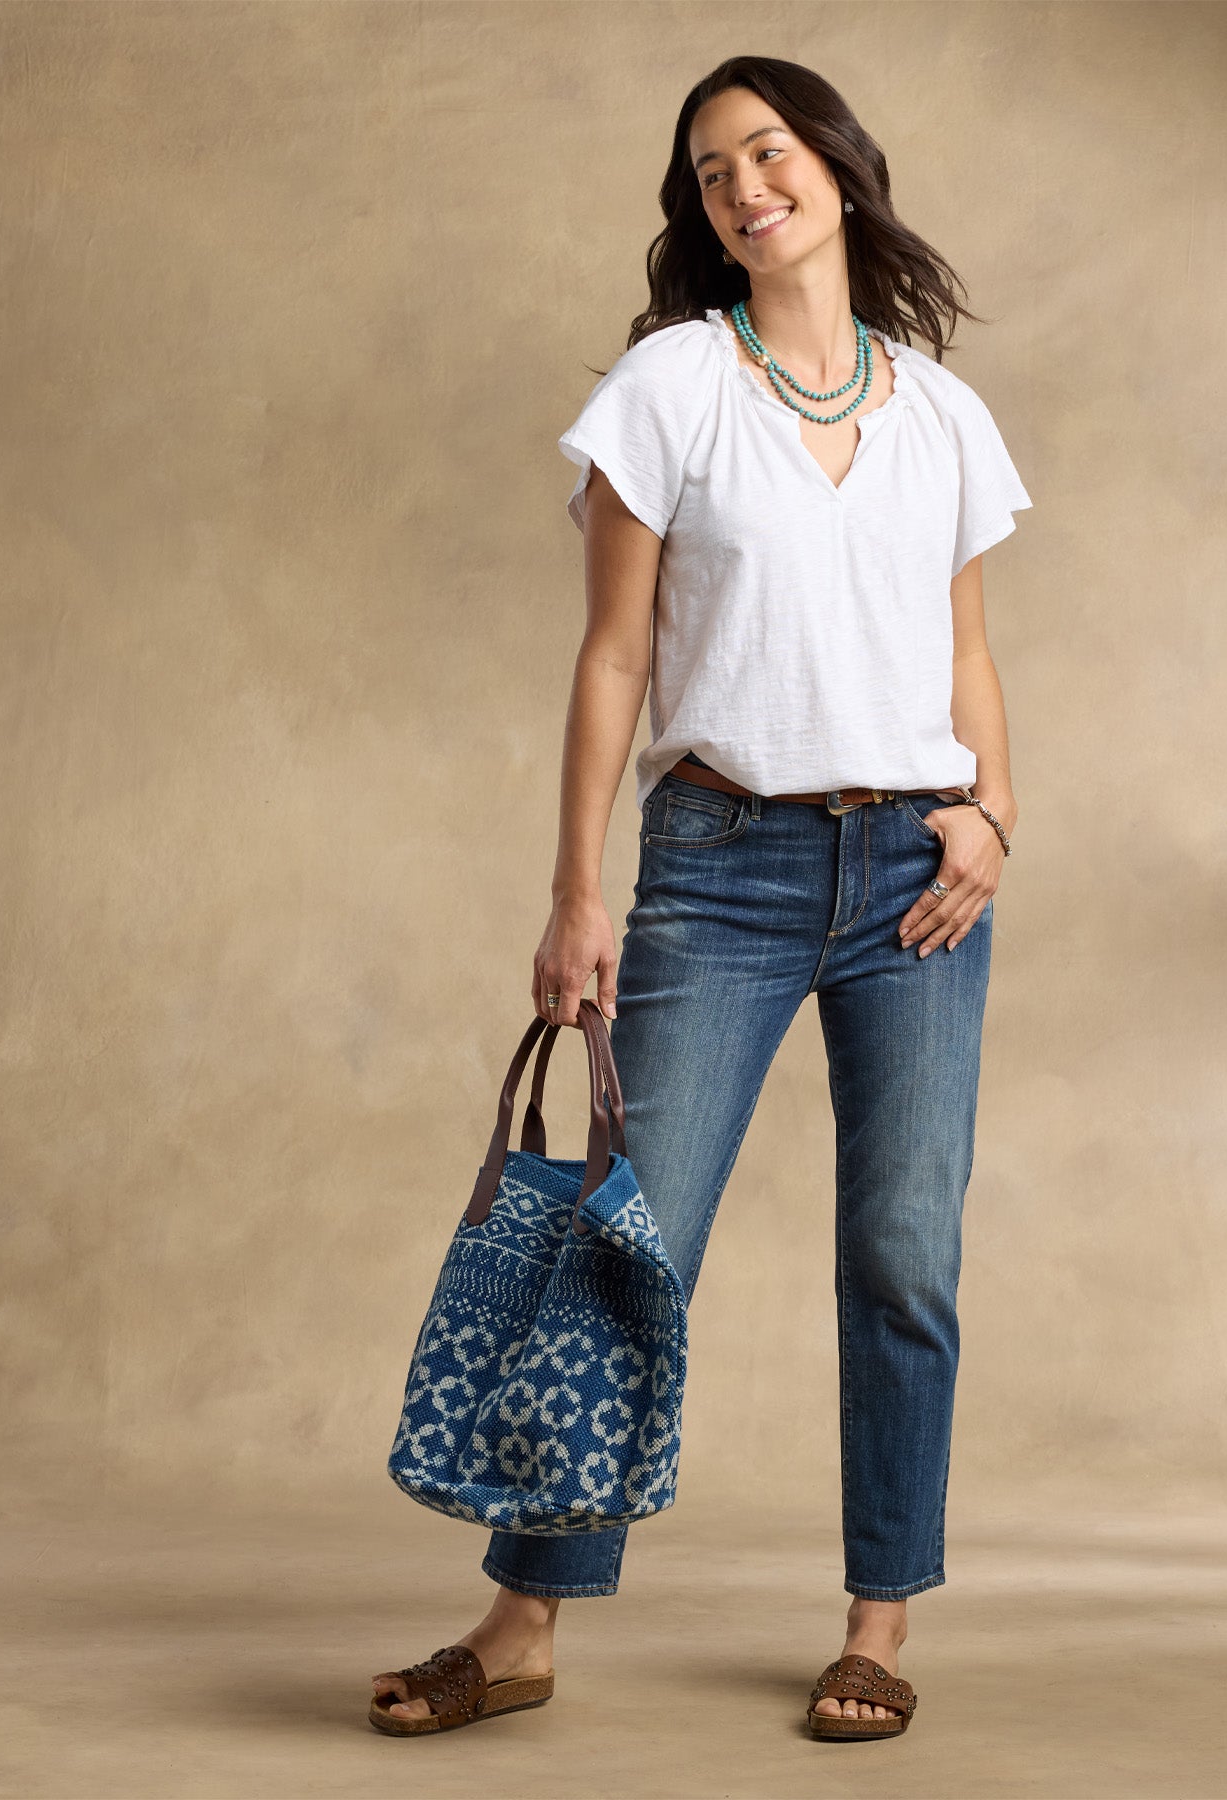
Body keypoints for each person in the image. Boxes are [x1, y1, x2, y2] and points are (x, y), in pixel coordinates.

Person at [371, 53, 1030, 1743]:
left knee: (904, 1254)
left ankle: (878, 1626)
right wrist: (577, 890)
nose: (746, 187)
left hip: (914, 881)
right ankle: (522, 1625)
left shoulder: (940, 413)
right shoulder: (670, 385)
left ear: (836, 165)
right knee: (627, 1244)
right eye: (713, 172)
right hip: (720, 868)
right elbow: (613, 655)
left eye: (769, 150)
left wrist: (994, 813)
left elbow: (964, 650)